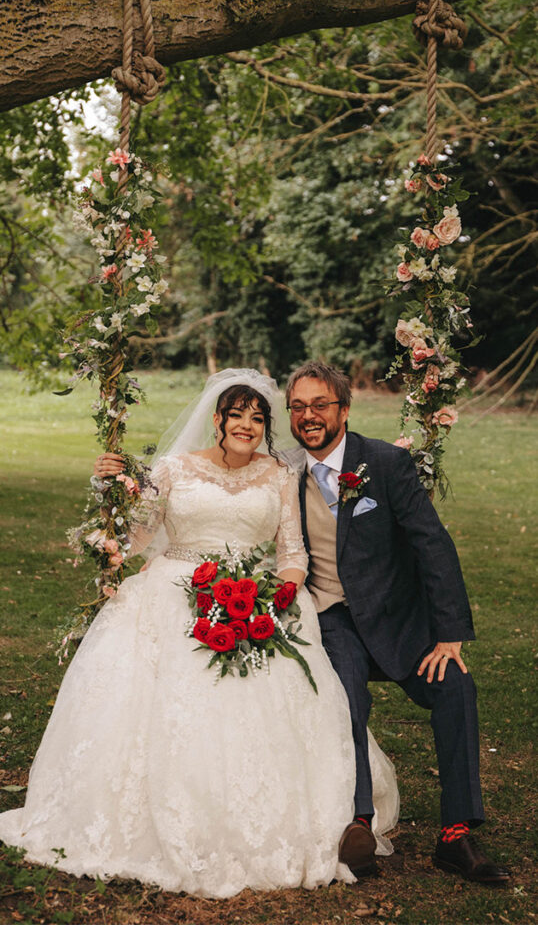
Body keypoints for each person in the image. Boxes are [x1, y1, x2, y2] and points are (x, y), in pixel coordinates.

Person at [0, 368, 398, 898]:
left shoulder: (280, 476)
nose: (247, 426)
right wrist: (113, 490)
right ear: (217, 420)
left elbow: (292, 553)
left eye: (258, 418)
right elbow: (139, 534)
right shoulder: (174, 469)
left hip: (251, 594)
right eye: (237, 415)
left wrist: (280, 594)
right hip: (174, 590)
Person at [285, 359, 510, 884]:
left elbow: (432, 544)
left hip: (398, 619)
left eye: (320, 404)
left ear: (344, 408)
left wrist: (449, 632)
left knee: (455, 688)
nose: (309, 416)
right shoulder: (285, 470)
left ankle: (456, 835)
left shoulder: (383, 463)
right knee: (346, 696)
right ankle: (358, 823)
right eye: (298, 407)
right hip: (333, 616)